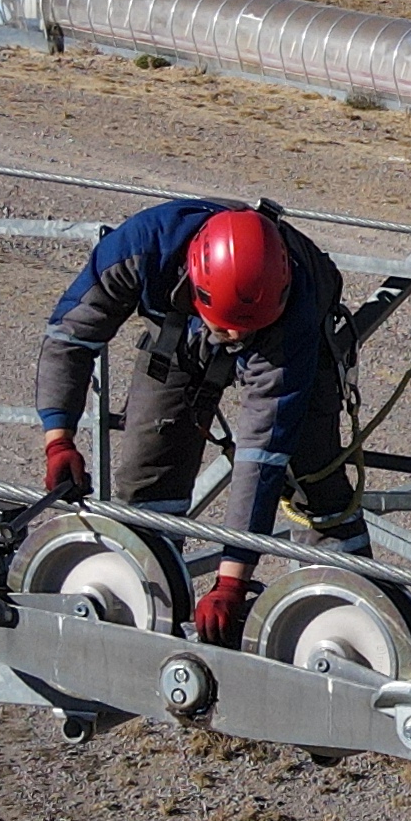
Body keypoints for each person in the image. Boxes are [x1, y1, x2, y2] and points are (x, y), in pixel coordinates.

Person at [31, 198, 358, 645]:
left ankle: (346, 611)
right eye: (229, 330)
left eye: (244, 330)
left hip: (285, 340)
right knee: (150, 470)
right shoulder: (141, 249)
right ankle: (146, 607)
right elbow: (71, 337)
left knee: (313, 478)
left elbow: (260, 455)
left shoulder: (293, 308)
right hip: (178, 335)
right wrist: (59, 439)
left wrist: (232, 583)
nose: (237, 339)